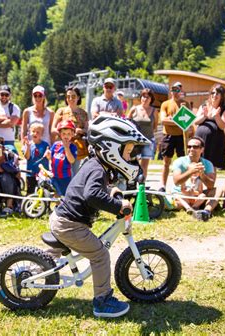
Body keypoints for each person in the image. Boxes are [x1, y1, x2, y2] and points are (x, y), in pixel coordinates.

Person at [50, 116, 146, 318]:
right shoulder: (97, 169)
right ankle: (102, 302)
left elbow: (98, 189)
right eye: (127, 151)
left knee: (50, 259)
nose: (129, 157)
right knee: (100, 254)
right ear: (112, 149)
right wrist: (118, 205)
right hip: (69, 225)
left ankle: (40, 268)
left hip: (63, 219)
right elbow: (92, 194)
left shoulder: (96, 165)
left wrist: (113, 193)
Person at [172, 136, 217, 221]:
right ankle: (191, 208)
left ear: (202, 149)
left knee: (217, 191)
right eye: (189, 146)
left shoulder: (207, 163)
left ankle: (206, 212)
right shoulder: (179, 161)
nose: (191, 149)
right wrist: (190, 172)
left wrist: (201, 174)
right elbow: (176, 182)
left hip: (198, 196)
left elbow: (211, 186)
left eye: (195, 147)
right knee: (177, 197)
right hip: (181, 196)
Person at [159, 82, 190, 192]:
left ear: (181, 91)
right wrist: (178, 120)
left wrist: (172, 119)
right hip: (168, 136)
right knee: (166, 162)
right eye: (173, 89)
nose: (175, 92)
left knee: (183, 162)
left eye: (178, 89)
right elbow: (163, 120)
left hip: (181, 136)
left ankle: (183, 186)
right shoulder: (165, 104)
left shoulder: (185, 104)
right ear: (170, 91)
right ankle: (162, 185)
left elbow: (188, 122)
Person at [51, 86, 89, 175]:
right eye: (68, 96)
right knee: (62, 172)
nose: (70, 99)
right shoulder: (61, 111)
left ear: (78, 97)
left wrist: (81, 130)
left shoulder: (84, 113)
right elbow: (53, 129)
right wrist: (64, 133)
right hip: (62, 147)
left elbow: (87, 130)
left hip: (78, 149)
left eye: (73, 96)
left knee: (76, 174)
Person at [194, 84, 225, 170]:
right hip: (201, 138)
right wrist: (204, 116)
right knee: (197, 163)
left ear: (222, 96)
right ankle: (197, 183)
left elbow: (222, 126)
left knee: (211, 165)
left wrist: (217, 116)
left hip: (215, 141)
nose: (214, 95)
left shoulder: (224, 109)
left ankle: (210, 182)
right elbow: (196, 121)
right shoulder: (204, 106)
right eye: (213, 93)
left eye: (217, 93)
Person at [126, 88, 158, 182]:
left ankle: (141, 185)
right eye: (143, 96)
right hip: (135, 141)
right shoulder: (134, 109)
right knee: (133, 162)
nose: (145, 98)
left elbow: (155, 126)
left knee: (144, 165)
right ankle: (131, 183)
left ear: (151, 99)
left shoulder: (154, 111)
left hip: (148, 140)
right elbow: (126, 123)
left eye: (148, 97)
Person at [46, 120, 77, 196]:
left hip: (65, 176)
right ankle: (57, 206)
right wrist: (48, 155)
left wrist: (66, 148)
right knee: (56, 193)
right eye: (63, 133)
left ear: (72, 134)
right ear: (60, 134)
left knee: (64, 194)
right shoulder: (56, 145)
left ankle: (63, 206)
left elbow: (72, 161)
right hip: (54, 174)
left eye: (68, 134)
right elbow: (51, 159)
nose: (66, 136)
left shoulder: (73, 147)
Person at [21, 123, 49, 194]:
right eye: (33, 131)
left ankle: (44, 204)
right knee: (30, 191)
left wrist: (48, 154)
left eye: (38, 132)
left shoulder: (45, 145)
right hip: (31, 173)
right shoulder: (28, 144)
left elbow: (49, 158)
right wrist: (28, 147)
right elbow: (27, 157)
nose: (35, 133)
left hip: (42, 174)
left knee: (43, 192)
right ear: (30, 132)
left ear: (42, 134)